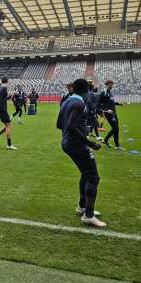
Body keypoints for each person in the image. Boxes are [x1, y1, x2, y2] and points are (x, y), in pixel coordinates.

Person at [57, 78, 105, 227]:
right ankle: (88, 215)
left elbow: (59, 124)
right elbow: (71, 127)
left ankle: (82, 207)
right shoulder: (79, 103)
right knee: (93, 177)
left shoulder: (66, 101)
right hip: (76, 144)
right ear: (86, 91)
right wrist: (90, 143)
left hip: (67, 142)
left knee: (86, 174)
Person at [0, 77, 18, 150]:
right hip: (2, 109)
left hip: (0, 109)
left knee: (7, 125)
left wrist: (9, 96)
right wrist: (2, 108)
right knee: (9, 125)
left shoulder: (0, 87)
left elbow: (2, 97)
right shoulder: (3, 88)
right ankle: (9, 145)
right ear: (7, 81)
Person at [99, 80, 124, 150]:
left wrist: (118, 103)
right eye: (110, 85)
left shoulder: (109, 93)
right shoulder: (103, 93)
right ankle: (117, 145)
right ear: (106, 85)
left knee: (116, 128)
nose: (111, 86)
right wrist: (106, 110)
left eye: (112, 85)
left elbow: (110, 102)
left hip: (114, 113)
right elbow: (98, 104)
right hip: (109, 114)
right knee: (116, 128)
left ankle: (106, 140)